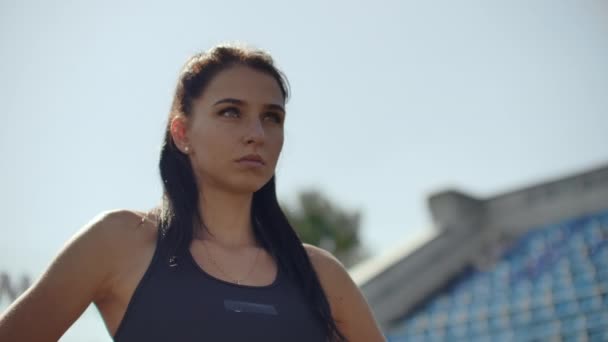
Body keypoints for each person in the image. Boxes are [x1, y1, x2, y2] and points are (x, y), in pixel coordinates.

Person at [0, 44, 386, 341]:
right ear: (182, 133)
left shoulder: (321, 275)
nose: (257, 133)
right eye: (231, 112)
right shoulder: (119, 242)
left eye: (272, 117)